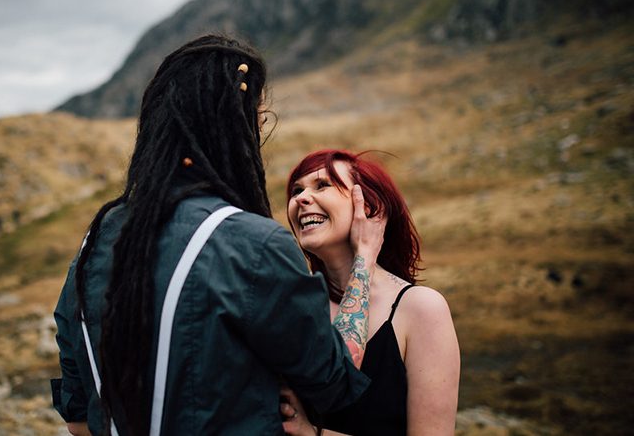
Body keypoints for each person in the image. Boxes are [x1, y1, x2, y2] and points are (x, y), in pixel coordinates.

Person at [51, 36, 381, 436]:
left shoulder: (94, 245)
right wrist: (363, 257)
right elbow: (336, 381)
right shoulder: (253, 246)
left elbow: (78, 420)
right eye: (256, 119)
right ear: (233, 128)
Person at [280, 150, 460, 436]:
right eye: (296, 190)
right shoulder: (290, 305)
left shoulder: (421, 309)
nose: (300, 198)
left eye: (322, 185)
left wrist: (312, 434)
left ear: (370, 208)